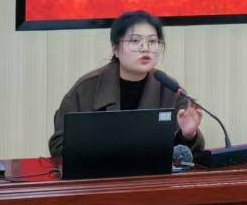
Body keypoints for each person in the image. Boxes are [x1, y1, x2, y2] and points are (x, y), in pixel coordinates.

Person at [48, 10, 205, 158]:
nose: (145, 48)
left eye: (152, 41)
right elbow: (58, 145)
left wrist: (188, 135)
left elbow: (186, 157)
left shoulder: (171, 90)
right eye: (135, 41)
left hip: (152, 175)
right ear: (115, 49)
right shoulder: (86, 88)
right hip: (99, 175)